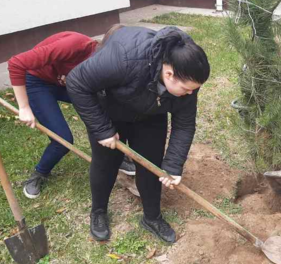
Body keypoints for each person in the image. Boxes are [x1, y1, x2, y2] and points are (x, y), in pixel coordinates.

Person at [66, 26, 210, 244]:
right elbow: (76, 82)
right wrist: (102, 129)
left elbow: (185, 124)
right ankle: (98, 212)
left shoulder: (188, 78)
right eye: (187, 89)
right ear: (169, 74)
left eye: (194, 89)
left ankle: (152, 217)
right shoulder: (124, 59)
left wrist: (172, 166)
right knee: (106, 163)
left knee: (151, 165)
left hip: (151, 113)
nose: (190, 93)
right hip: (110, 110)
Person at [7, 27, 135, 199]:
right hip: (37, 83)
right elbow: (16, 63)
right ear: (104, 48)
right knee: (63, 140)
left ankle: (116, 158)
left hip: (65, 84)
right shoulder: (73, 45)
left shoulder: (105, 64)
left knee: (104, 109)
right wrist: (24, 107)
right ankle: (39, 173)